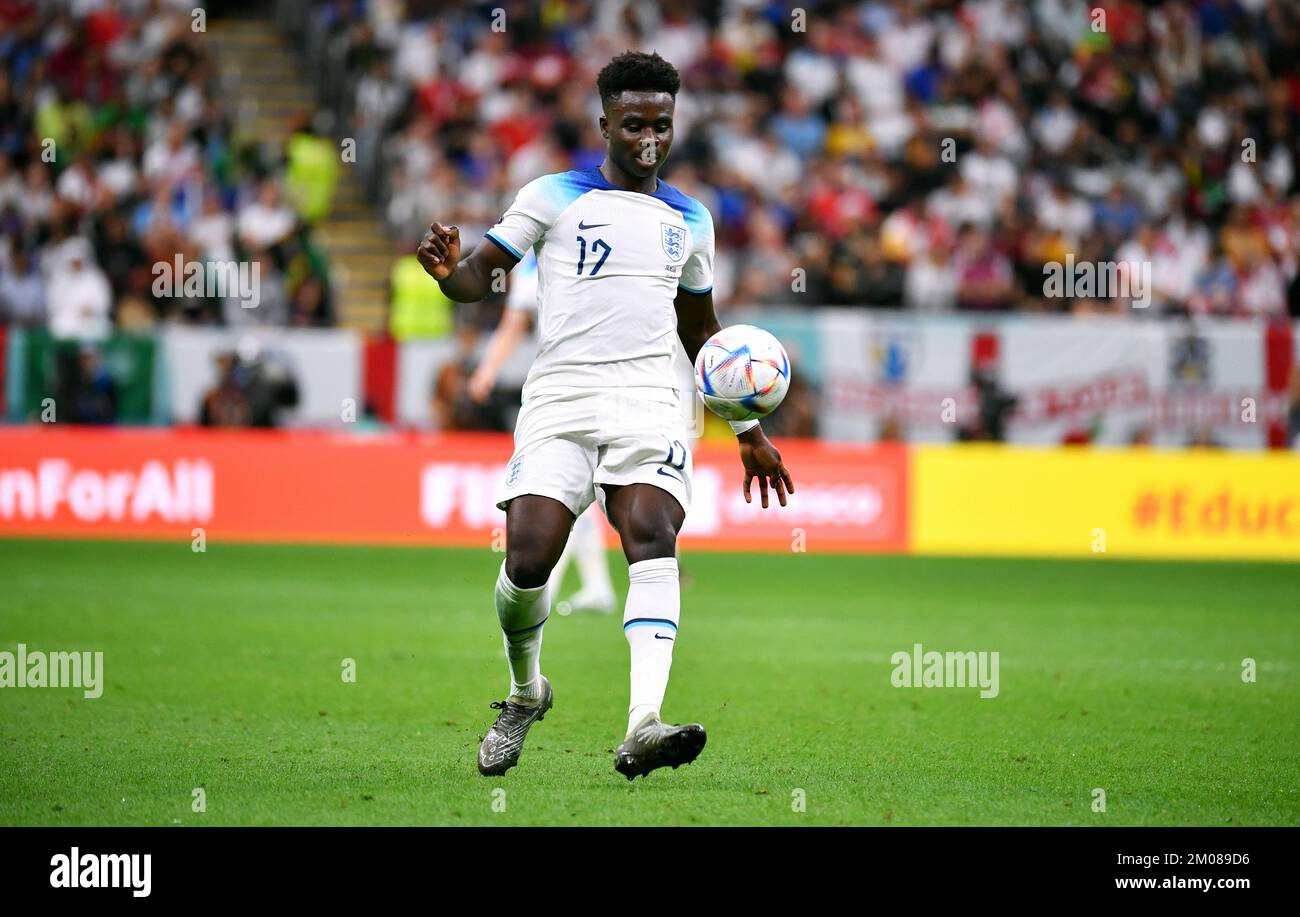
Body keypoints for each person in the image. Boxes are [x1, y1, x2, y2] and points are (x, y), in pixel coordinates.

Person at [417, 51, 794, 780]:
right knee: (528, 559)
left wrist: (749, 430)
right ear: (605, 124)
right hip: (559, 399)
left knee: (652, 534)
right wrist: (445, 273)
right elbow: (478, 278)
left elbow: (701, 330)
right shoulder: (553, 195)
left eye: (661, 124)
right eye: (634, 124)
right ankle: (526, 692)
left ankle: (643, 724)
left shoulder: (691, 218)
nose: (649, 137)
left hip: (653, 403)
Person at [466, 250, 617, 616]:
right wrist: (488, 370)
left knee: (573, 489)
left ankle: (552, 588)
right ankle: (596, 587)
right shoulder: (538, 263)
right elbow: (516, 321)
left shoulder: (553, 252)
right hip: (573, 391)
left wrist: (486, 370)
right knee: (579, 490)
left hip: (592, 391)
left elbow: (515, 322)